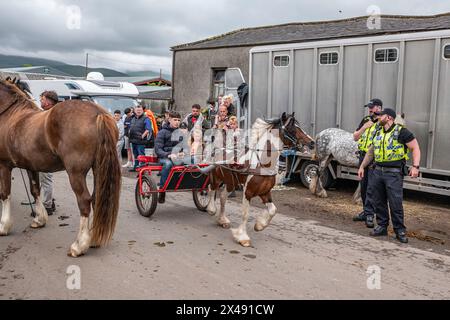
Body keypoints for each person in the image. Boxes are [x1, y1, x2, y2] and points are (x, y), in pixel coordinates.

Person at [358, 108, 421, 244]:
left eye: (381, 116)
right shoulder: (377, 132)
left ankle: (399, 230)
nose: (378, 117)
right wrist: (362, 166)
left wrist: (415, 166)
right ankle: (382, 226)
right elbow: (371, 152)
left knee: (395, 202)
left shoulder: (401, 132)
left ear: (389, 117)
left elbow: (415, 147)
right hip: (377, 171)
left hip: (394, 173)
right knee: (378, 200)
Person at [352, 98, 383, 228]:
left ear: (379, 108)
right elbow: (355, 137)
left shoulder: (383, 120)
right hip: (362, 156)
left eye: (372, 107)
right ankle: (366, 211)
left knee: (371, 187)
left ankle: (370, 215)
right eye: (369, 107)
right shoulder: (366, 120)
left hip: (374, 158)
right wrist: (364, 128)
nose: (369, 110)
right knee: (364, 186)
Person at [155, 111, 184, 203]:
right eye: (175, 120)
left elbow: (183, 147)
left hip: (177, 157)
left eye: (179, 120)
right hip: (164, 157)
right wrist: (168, 154)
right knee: (168, 164)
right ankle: (163, 189)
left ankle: (193, 185)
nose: (177, 122)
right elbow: (158, 150)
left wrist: (182, 152)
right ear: (169, 120)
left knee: (193, 160)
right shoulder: (162, 132)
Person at [39, 91, 59, 215]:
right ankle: (48, 201)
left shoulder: (49, 114)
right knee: (45, 179)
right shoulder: (52, 113)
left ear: (47, 101)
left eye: (42, 99)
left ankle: (47, 205)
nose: (40, 101)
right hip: (47, 151)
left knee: (46, 179)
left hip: (46, 152)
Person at [128, 105, 153, 171]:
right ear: (135, 111)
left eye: (140, 110)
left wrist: (142, 136)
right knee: (135, 155)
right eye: (137, 110)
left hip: (140, 141)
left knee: (141, 155)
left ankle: (142, 169)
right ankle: (136, 167)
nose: (138, 111)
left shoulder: (146, 118)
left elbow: (148, 129)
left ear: (142, 111)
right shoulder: (133, 118)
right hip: (133, 140)